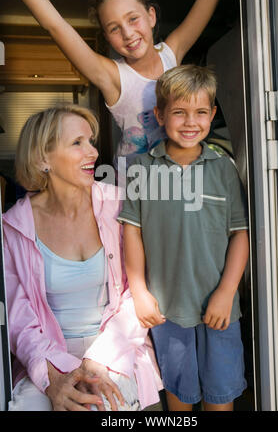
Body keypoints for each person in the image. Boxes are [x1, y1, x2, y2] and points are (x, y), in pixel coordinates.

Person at [2, 103, 162, 411]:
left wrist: (97, 361)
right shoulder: (14, 227)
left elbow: (139, 292)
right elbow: (18, 320)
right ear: (42, 158)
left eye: (90, 141)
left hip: (116, 350)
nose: (92, 153)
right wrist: (55, 375)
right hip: (47, 356)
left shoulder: (118, 205)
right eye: (77, 143)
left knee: (100, 408)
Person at [0, 0, 234, 171]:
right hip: (134, 192)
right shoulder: (112, 75)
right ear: (107, 37)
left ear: (151, 16)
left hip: (176, 180)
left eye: (133, 19)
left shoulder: (171, 54)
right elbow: (55, 25)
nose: (128, 33)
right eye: (114, 28)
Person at [118, 64, 249, 411]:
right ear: (160, 115)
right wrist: (140, 292)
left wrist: (226, 292)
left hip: (219, 309)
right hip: (166, 310)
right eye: (179, 112)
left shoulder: (224, 167)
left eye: (200, 112)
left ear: (213, 115)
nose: (191, 122)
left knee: (220, 399)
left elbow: (241, 234)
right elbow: (132, 231)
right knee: (179, 400)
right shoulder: (142, 168)